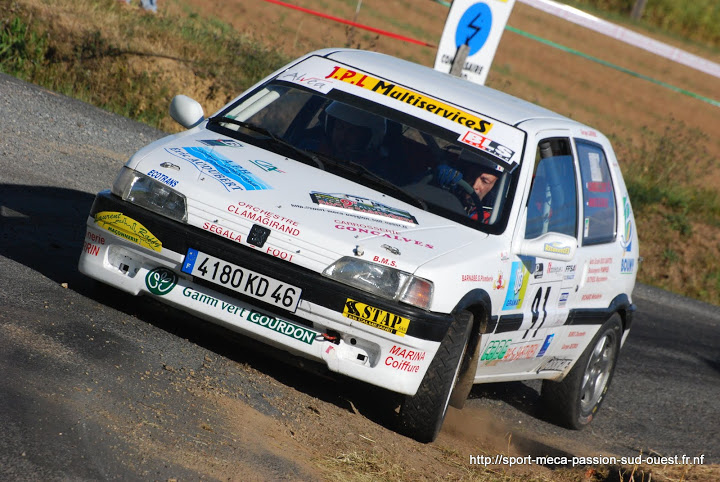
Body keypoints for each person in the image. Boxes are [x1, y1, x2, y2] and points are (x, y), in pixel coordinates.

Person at [435, 156, 500, 222]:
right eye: (472, 175)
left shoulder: (494, 220)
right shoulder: (446, 189)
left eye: (485, 181)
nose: (475, 186)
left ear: (494, 187)